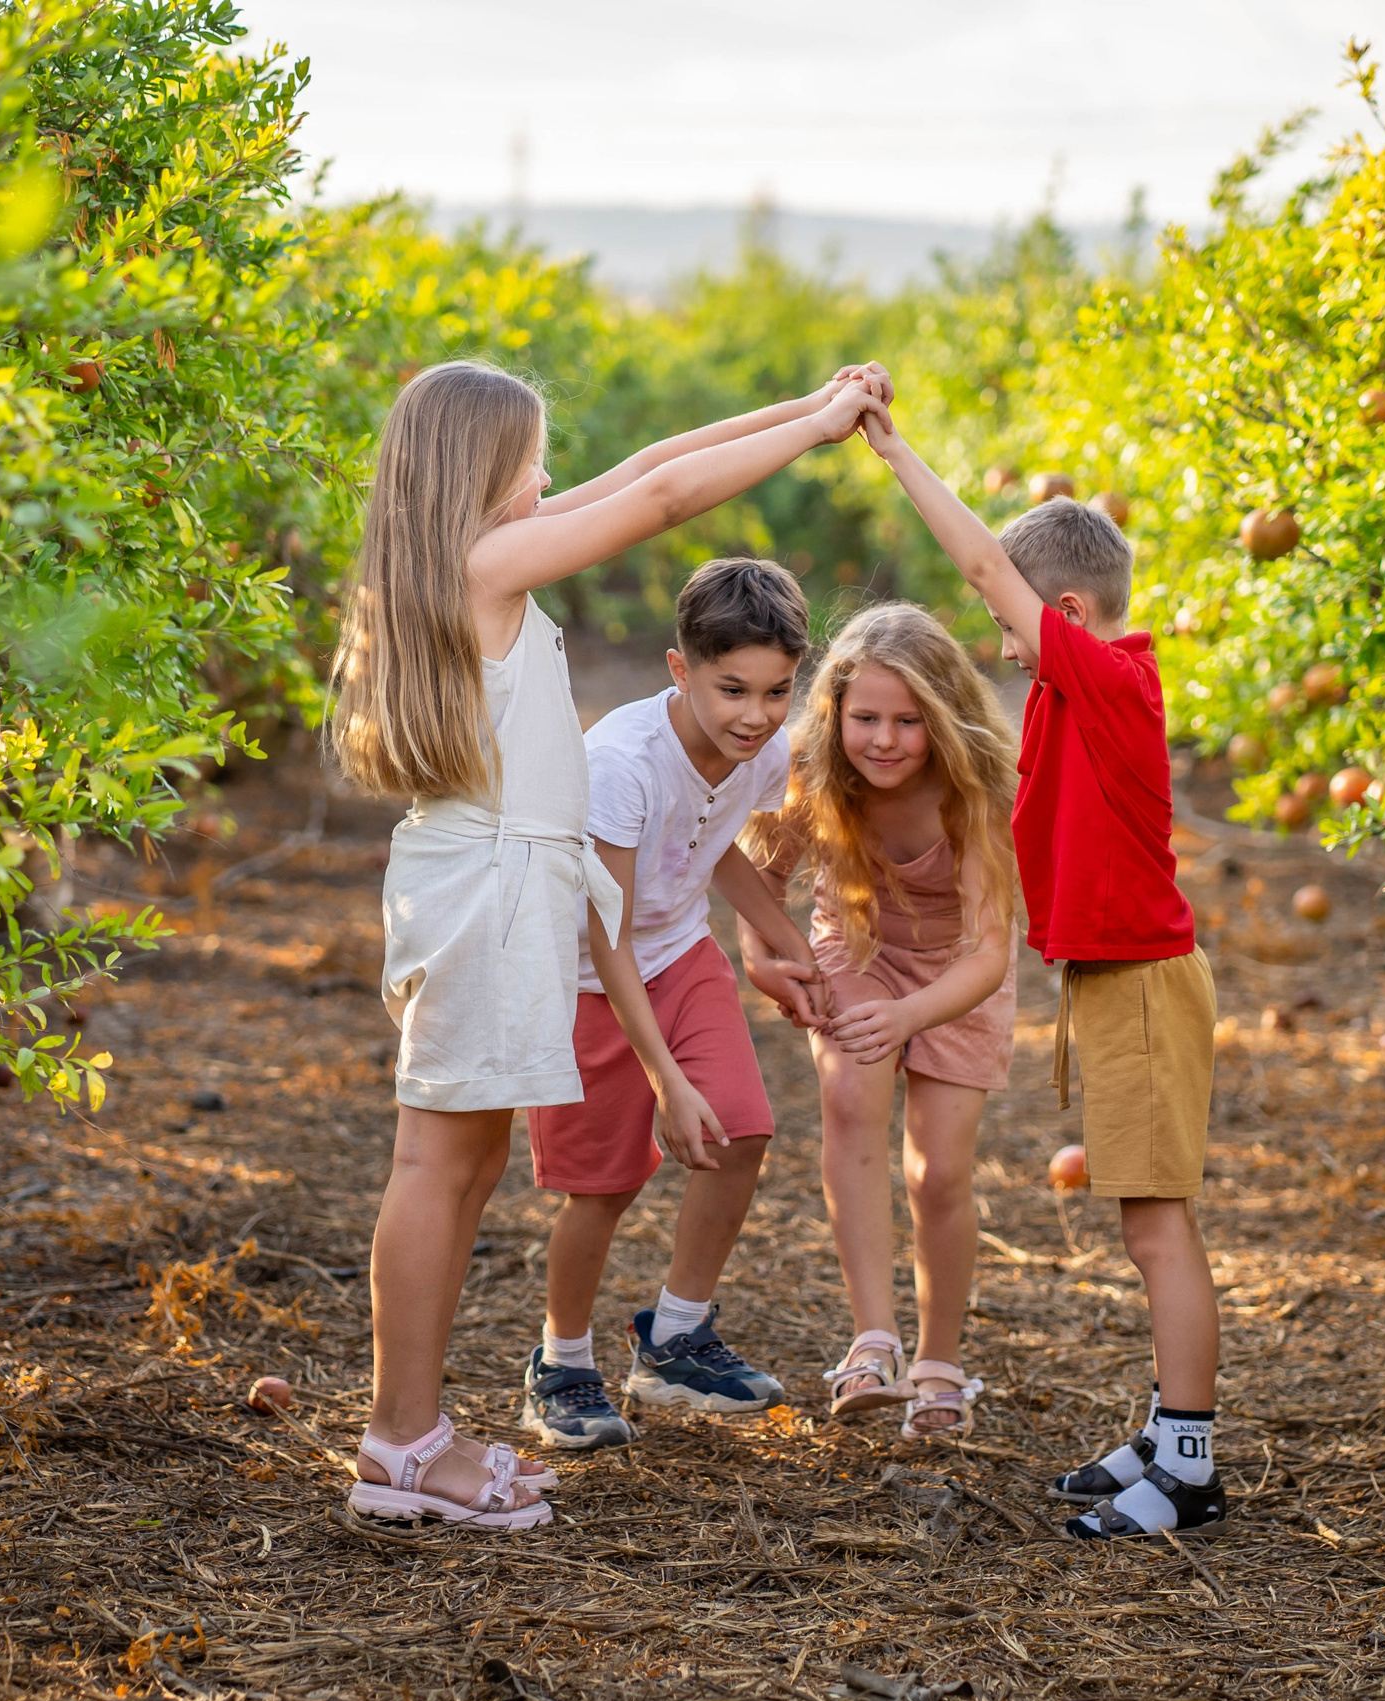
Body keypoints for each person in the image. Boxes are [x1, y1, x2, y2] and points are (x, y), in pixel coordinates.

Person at [328, 359, 892, 1530]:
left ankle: (414, 1431)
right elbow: (662, 502)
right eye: (530, 457)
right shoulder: (481, 567)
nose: (547, 476)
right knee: (438, 1165)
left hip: (510, 882)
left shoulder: (481, 561)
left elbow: (646, 469)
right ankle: (399, 1441)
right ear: (474, 473)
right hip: (489, 882)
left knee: (467, 1164)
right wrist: (814, 434)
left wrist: (810, 411)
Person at [863, 413, 1222, 1538]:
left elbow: (978, 559)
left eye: (1009, 625)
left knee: (1159, 1229)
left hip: (1148, 990)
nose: (1002, 646)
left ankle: (1192, 1468)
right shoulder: (1081, 694)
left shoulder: (1108, 678)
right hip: (1119, 985)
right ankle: (1166, 1439)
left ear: (1060, 615)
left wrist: (892, 450)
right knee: (1140, 1220)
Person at [518, 557, 827, 1451]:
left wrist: (781, 934)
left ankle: (676, 1337)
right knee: (603, 1188)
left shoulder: (760, 751)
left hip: (680, 952)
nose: (757, 715)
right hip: (591, 980)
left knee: (742, 1127)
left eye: (777, 692)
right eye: (733, 689)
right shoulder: (619, 764)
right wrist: (664, 1079)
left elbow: (715, 845)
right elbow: (605, 936)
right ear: (679, 668)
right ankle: (561, 1361)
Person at [741, 602, 1021, 1443]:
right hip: (856, 952)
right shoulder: (813, 767)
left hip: (953, 977)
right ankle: (874, 1341)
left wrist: (909, 1015)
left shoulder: (973, 790)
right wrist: (766, 962)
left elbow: (989, 954)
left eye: (909, 721)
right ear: (835, 712)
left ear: (943, 717)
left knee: (939, 1173)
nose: (885, 739)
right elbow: (757, 881)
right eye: (866, 717)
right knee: (852, 1105)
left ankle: (939, 1360)